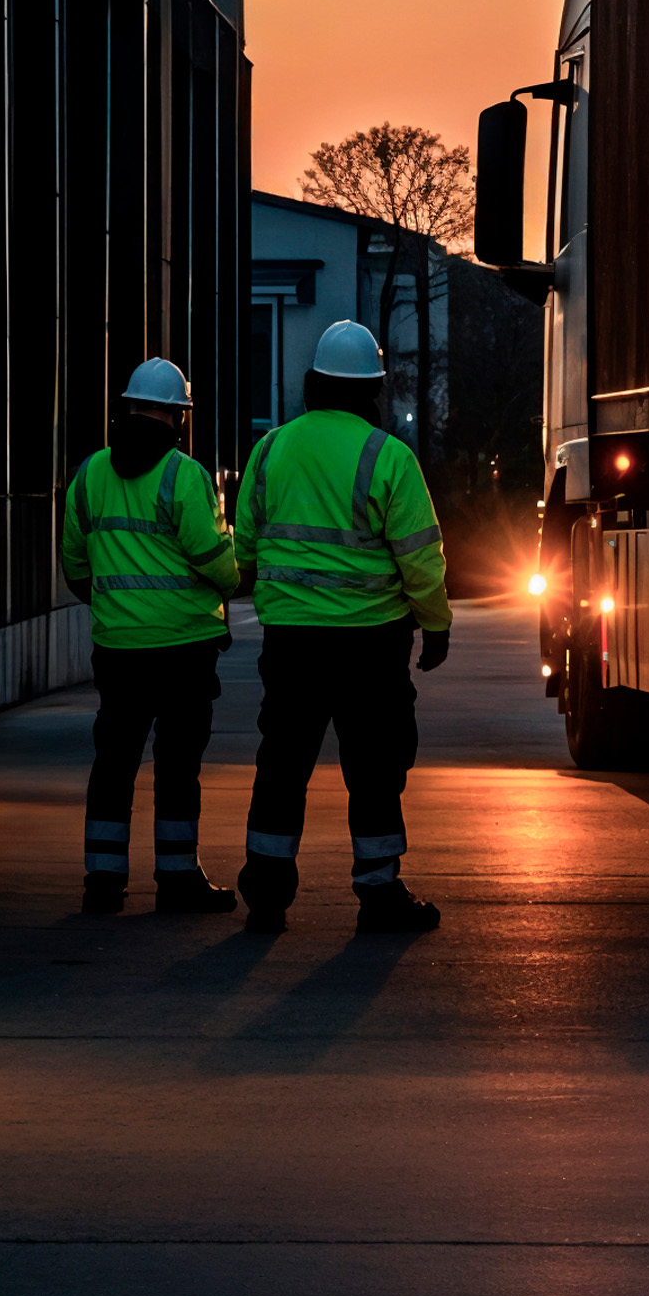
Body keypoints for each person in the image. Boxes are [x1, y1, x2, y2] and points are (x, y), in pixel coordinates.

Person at [233, 318, 452, 935]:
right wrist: (435, 626)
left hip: (291, 640)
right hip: (371, 643)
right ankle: (379, 894)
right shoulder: (389, 456)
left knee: (282, 764)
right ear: (373, 389)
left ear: (312, 384)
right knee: (376, 769)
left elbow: (245, 544)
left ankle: (267, 894)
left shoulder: (270, 449)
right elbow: (420, 557)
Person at [61, 358, 242, 917]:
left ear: (129, 407)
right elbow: (216, 562)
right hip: (184, 648)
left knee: (113, 763)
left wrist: (118, 608)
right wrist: (236, 569)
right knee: (178, 767)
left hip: (118, 649)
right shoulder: (182, 475)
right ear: (177, 416)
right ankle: (177, 879)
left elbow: (75, 566)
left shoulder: (90, 474)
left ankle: (103, 881)